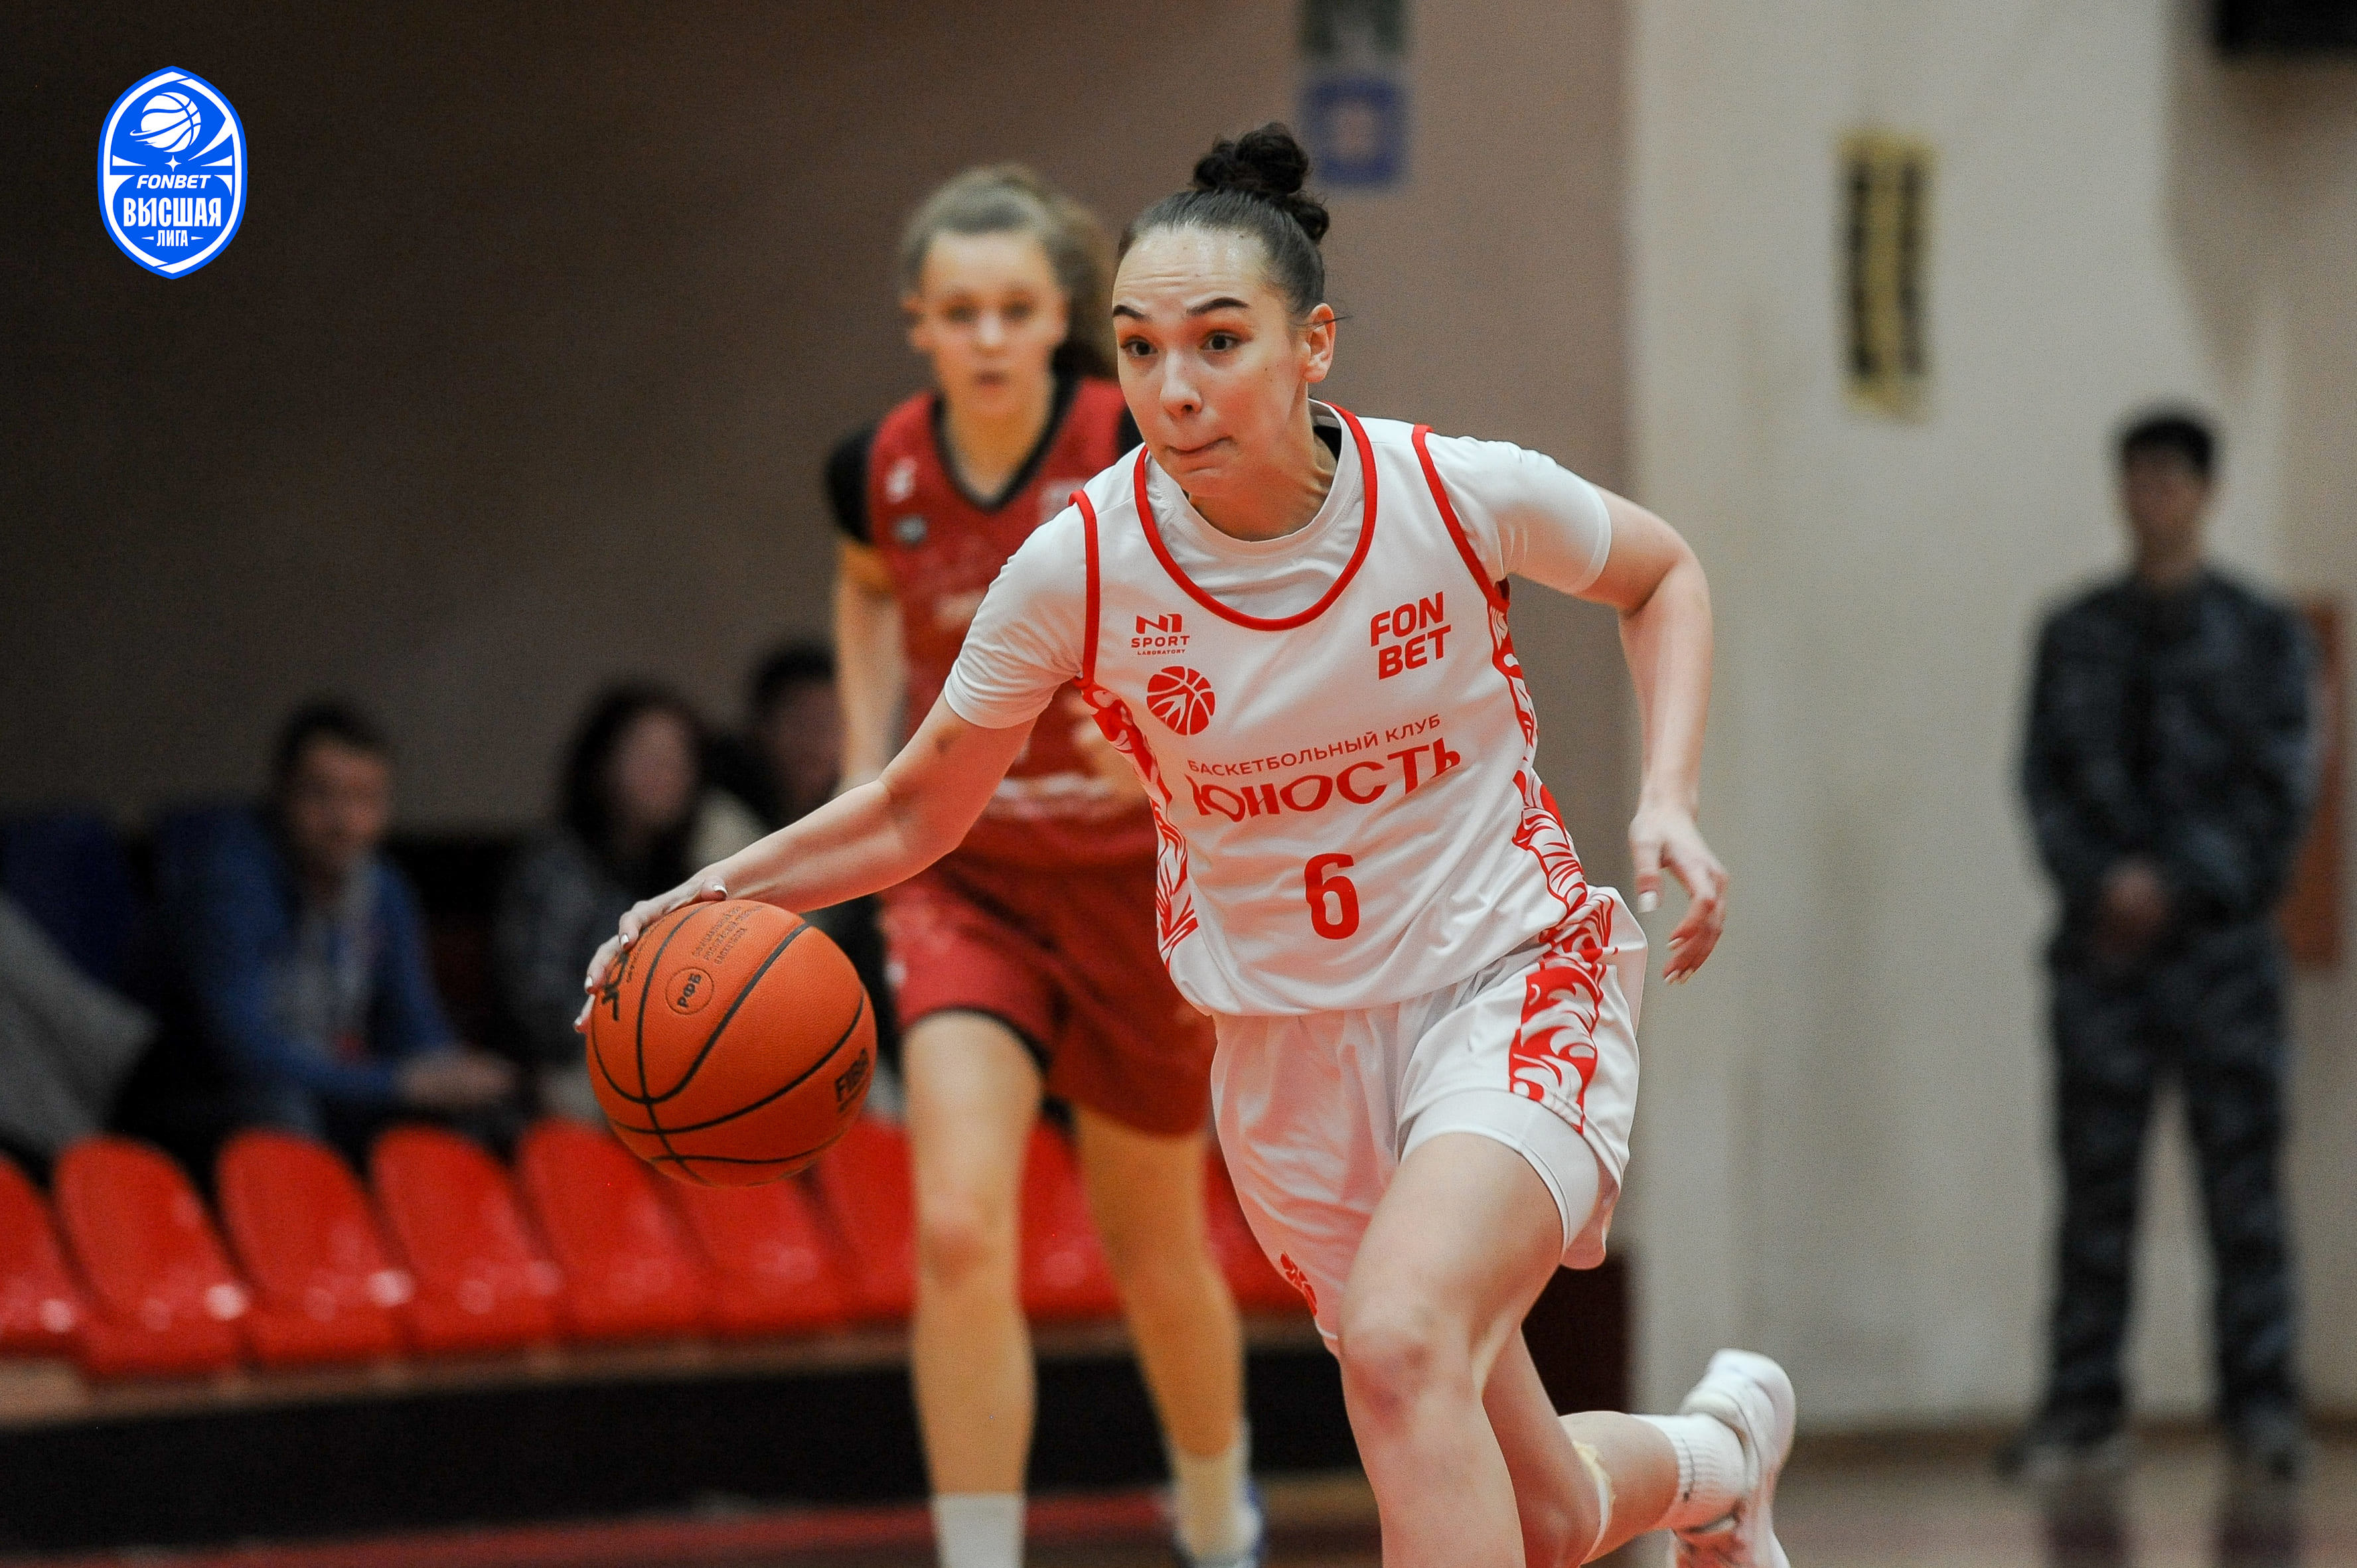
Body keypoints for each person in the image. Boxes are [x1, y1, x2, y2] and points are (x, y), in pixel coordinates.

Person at [588, 126, 1793, 1568]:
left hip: (1505, 979)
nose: (1172, 386)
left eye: (1219, 341)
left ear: (1311, 345)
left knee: (1401, 1341)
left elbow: (1659, 573)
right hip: (1285, 1047)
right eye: (1140, 346)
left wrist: (1666, 794)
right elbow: (918, 807)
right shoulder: (1081, 564)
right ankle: (1717, 1463)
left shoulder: (1446, 492)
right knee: (1531, 1509)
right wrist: (705, 890)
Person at [816, 164, 1255, 1568]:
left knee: (1155, 1252)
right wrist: (863, 755)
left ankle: (1215, 1515)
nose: (990, 336)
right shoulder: (878, 471)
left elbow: (1243, 604)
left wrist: (1173, 731)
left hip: (1133, 883)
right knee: (954, 1225)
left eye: (1015, 308)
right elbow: (867, 588)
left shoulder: (1133, 440)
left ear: (1061, 314)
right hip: (968, 879)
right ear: (918, 323)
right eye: (961, 313)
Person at [2011, 411, 2317, 1483]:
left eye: (2170, 479)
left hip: (2221, 961)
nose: (2151, 498)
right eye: (2136, 478)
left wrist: (2177, 882)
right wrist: (2105, 882)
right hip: (2102, 959)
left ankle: (2262, 1411)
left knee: (2243, 1196)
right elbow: (2041, 783)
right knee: (2094, 1194)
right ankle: (2082, 1410)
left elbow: (2282, 793)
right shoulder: (2073, 631)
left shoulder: (2263, 634)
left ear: (2204, 492)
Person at [145, 702, 514, 1167]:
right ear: (282, 795)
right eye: (321, 795)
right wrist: (398, 1083)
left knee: (477, 1116)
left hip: (330, 1082)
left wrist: (459, 1077)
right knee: (283, 1113)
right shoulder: (230, 884)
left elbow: (413, 1024)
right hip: (207, 1095)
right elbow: (243, 1053)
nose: (343, 820)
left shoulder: (383, 889)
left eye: (364, 799)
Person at [499, 685, 749, 1120]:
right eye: (647, 757)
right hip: (568, 1067)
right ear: (601, 765)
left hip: (664, 1060)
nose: (665, 774)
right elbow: (541, 1007)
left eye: (677, 760)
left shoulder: (686, 865)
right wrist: (644, 1041)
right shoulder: (557, 868)